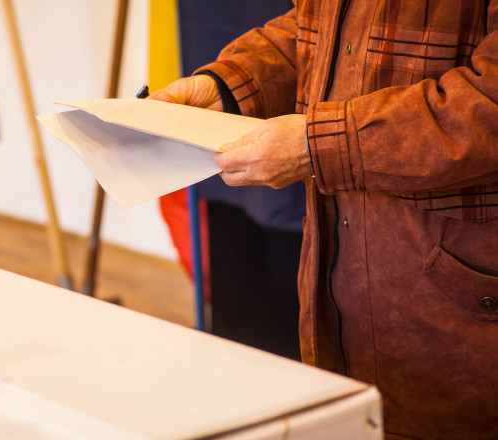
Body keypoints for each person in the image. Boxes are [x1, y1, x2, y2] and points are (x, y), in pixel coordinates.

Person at [149, 1, 498, 439]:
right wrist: (233, 84)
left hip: (461, 307)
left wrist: (321, 146)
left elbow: (489, 103)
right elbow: (317, 30)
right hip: (341, 281)